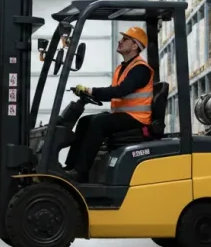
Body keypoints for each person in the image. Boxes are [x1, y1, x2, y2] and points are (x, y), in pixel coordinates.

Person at [64, 26, 154, 182]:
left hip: (137, 118)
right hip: (123, 116)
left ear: (134, 46)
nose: (120, 41)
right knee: (86, 121)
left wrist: (91, 90)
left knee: (100, 122)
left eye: (125, 39)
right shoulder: (123, 67)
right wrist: (89, 92)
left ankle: (81, 172)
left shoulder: (140, 69)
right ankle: (71, 166)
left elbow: (120, 91)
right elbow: (115, 91)